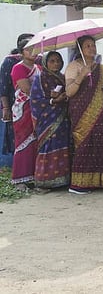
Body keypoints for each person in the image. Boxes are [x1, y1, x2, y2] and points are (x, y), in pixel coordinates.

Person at [65, 35, 103, 194]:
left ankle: (100, 181)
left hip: (99, 110)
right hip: (81, 113)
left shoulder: (101, 68)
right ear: (80, 49)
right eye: (87, 46)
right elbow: (69, 92)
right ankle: (79, 185)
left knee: (100, 141)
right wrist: (81, 75)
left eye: (93, 45)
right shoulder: (73, 67)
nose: (92, 48)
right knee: (84, 144)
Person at [30, 51, 70, 192]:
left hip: (63, 118)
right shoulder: (40, 78)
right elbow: (35, 100)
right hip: (48, 119)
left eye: (58, 61)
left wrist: (65, 96)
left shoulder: (63, 77)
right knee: (48, 146)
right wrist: (53, 100)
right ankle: (44, 181)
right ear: (45, 63)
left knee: (63, 145)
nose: (56, 64)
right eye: (52, 61)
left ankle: (62, 179)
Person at [10, 46, 41, 189]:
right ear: (22, 52)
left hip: (39, 108)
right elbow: (27, 88)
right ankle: (20, 179)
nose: (33, 52)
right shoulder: (18, 68)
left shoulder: (39, 66)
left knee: (37, 141)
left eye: (35, 49)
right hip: (24, 108)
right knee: (24, 142)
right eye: (29, 50)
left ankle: (36, 175)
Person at [1, 33, 32, 164]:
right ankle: (19, 166)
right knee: (18, 136)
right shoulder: (10, 62)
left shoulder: (39, 61)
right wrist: (6, 107)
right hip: (17, 105)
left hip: (36, 106)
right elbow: (3, 86)